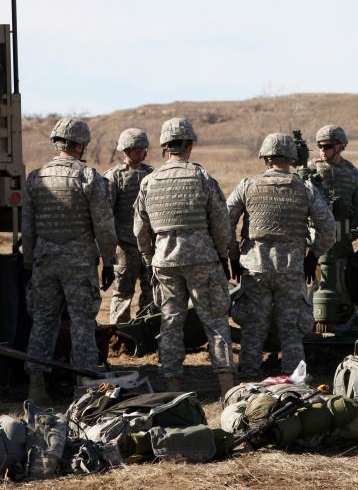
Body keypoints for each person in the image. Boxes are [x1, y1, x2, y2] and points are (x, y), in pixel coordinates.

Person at [133, 117, 235, 395]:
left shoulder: (149, 181)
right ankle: (227, 387)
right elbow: (221, 223)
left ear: (165, 147)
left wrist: (149, 257)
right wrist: (219, 252)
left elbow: (140, 229)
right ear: (189, 145)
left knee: (170, 323)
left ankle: (173, 387)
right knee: (215, 322)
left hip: (165, 261)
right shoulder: (202, 177)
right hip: (202, 259)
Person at [21, 118, 118, 403]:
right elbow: (103, 225)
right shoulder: (87, 177)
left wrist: (30, 261)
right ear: (79, 144)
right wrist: (109, 260)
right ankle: (84, 389)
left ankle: (36, 387)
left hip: (45, 261)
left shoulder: (35, 178)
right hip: (79, 263)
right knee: (82, 323)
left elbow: (28, 228)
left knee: (43, 322)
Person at [226, 133, 336, 379]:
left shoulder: (248, 185)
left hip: (255, 268)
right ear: (291, 158)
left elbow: (225, 222)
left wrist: (232, 255)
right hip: (291, 268)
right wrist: (313, 256)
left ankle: (248, 379)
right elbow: (328, 227)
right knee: (292, 328)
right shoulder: (304, 188)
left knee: (253, 327)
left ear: (265, 157)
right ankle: (294, 379)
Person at [102, 128, 154, 324]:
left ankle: (147, 327)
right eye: (134, 149)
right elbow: (106, 213)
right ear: (124, 151)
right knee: (123, 291)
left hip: (149, 244)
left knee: (151, 290)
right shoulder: (113, 177)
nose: (139, 152)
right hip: (125, 245)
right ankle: (120, 333)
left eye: (142, 148)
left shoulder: (152, 174)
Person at [308, 125, 358, 227]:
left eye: (327, 146)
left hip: (343, 230)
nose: (323, 150)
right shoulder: (311, 169)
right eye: (320, 146)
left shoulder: (351, 171)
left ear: (340, 146)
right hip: (317, 230)